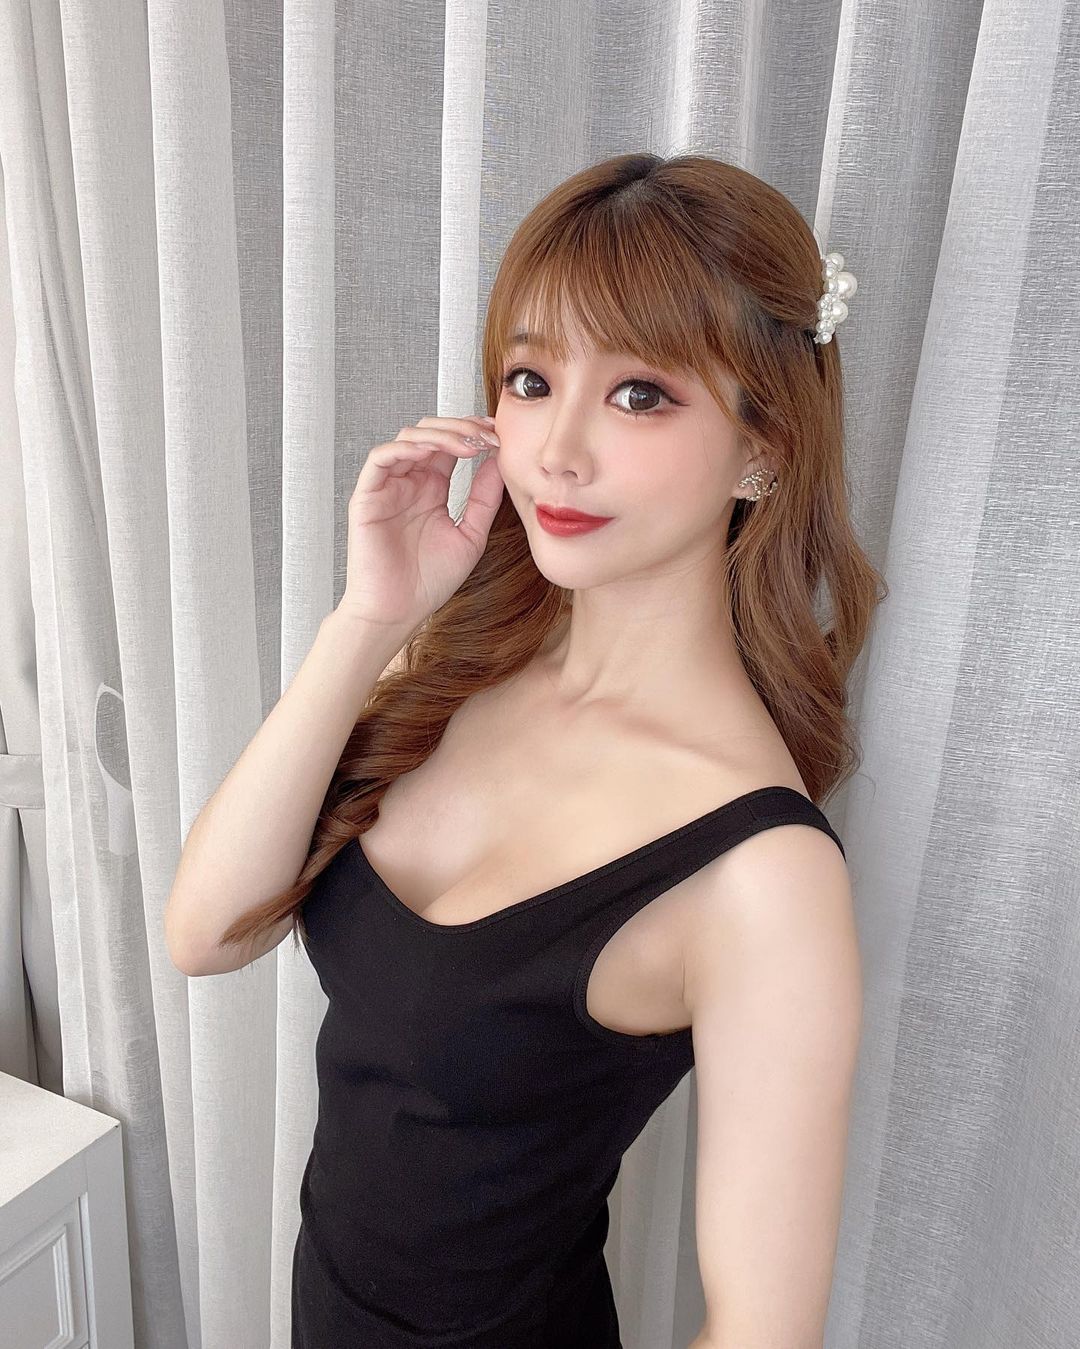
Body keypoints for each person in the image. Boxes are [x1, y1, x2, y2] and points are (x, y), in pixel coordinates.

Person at [165, 151, 882, 1348]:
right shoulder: (454, 663)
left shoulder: (763, 874)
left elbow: (765, 1328)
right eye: (532, 378)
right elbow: (208, 933)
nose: (557, 449)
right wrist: (369, 617)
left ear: (764, 446)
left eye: (640, 393)